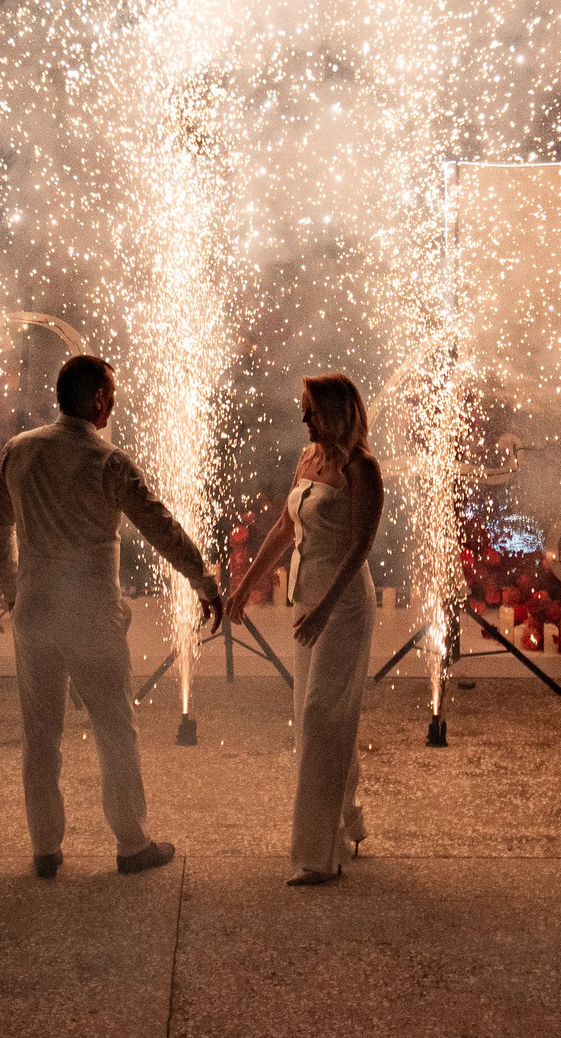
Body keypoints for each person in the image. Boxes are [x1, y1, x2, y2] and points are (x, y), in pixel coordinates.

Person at [0, 353, 221, 879]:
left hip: (36, 611)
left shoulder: (18, 452)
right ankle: (131, 843)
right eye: (110, 394)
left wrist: (13, 590)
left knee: (40, 734)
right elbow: (161, 528)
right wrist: (204, 580)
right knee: (115, 727)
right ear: (96, 399)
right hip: (91, 612)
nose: (113, 403)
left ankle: (45, 847)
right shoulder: (109, 463)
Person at [224, 373, 385, 886]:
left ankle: (317, 855)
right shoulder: (307, 459)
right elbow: (283, 528)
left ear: (337, 412)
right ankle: (350, 818)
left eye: (311, 409)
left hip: (345, 603)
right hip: (307, 597)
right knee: (318, 715)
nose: (303, 418)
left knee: (320, 716)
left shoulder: (363, 470)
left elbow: (360, 546)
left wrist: (326, 609)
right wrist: (245, 585)